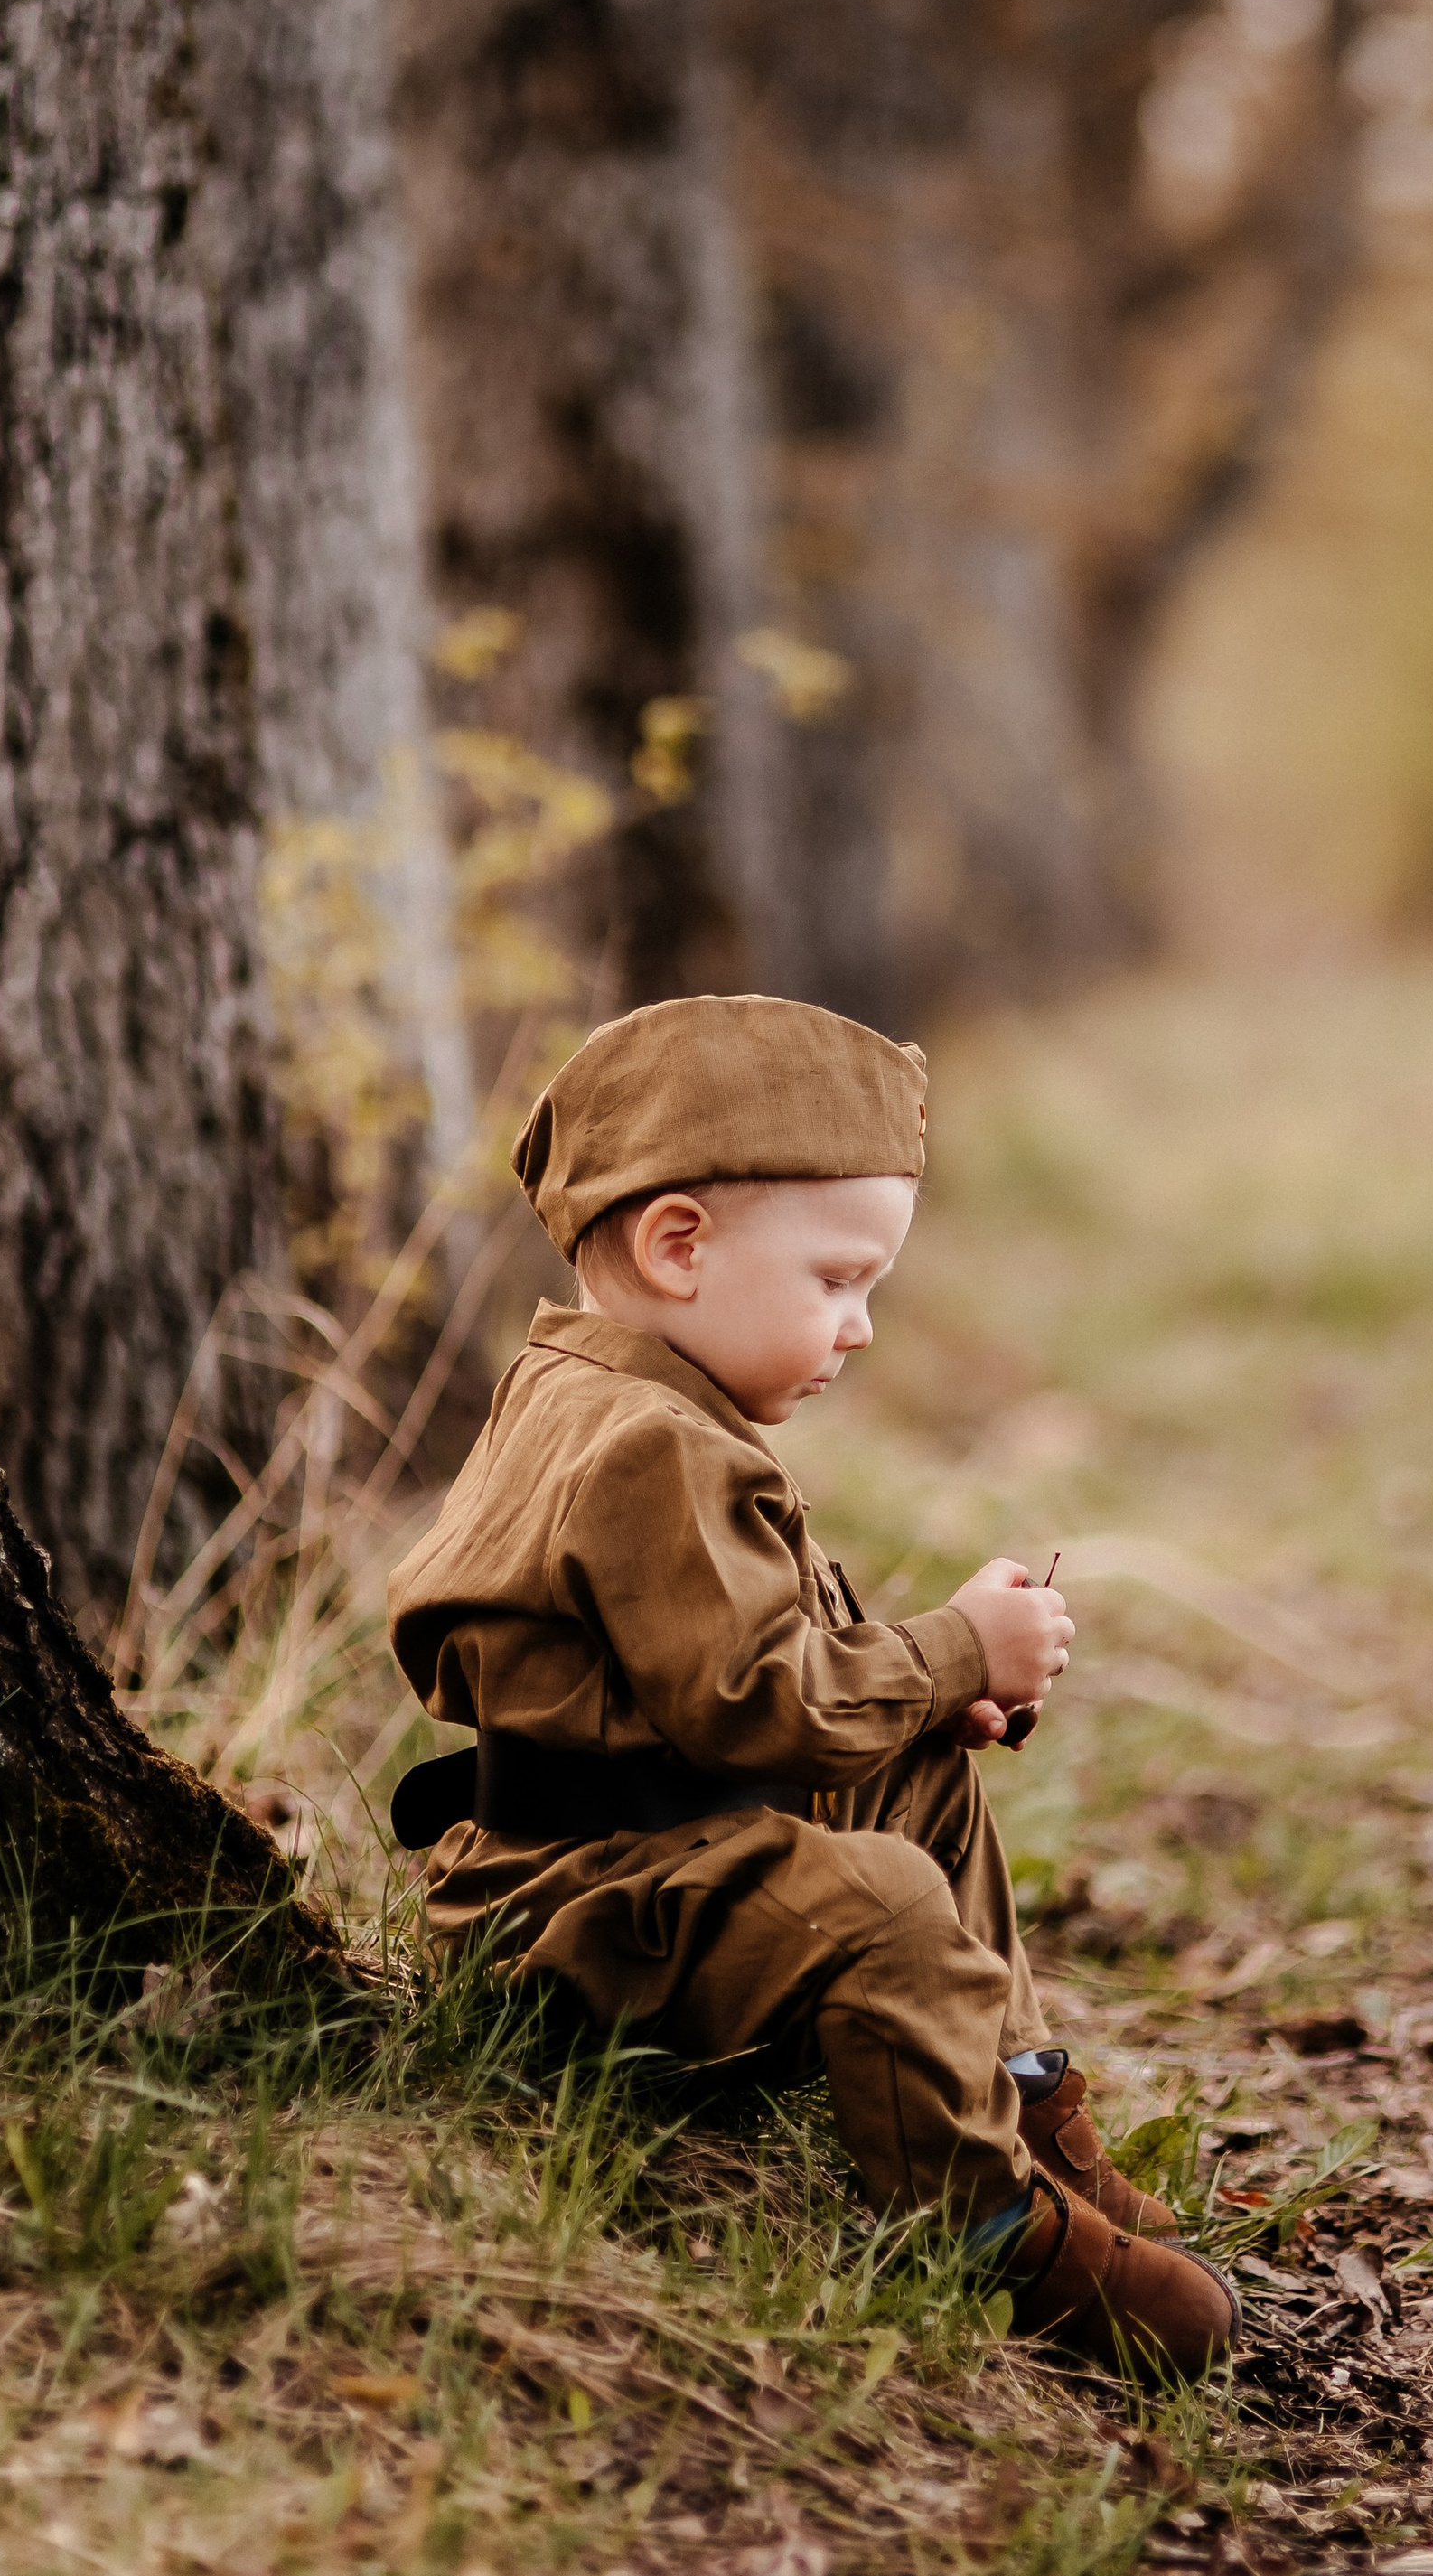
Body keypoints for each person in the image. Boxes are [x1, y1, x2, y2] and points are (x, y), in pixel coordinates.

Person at [387, 993, 1239, 2376]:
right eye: (838, 1281)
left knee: (925, 1778)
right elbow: (755, 1707)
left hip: (649, 1844)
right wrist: (959, 1647)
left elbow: (736, 1692)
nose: (862, 1329)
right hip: (579, 1908)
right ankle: (977, 2224)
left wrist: (921, 1701)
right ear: (680, 1246)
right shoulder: (652, 1447)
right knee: (886, 1897)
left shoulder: (594, 1390)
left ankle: (1022, 2102)